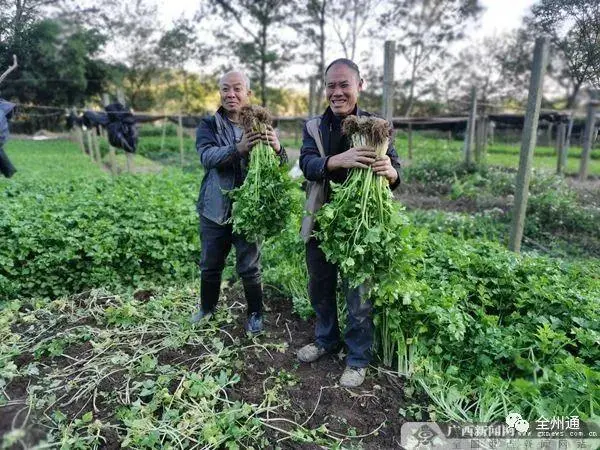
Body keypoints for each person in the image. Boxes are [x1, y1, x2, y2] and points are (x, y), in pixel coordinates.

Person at [297, 59, 402, 387]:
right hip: (322, 218)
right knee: (320, 285)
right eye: (331, 85)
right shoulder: (314, 126)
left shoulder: (377, 126)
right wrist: (333, 161)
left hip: (362, 223)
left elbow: (396, 168)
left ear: (360, 85)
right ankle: (326, 340)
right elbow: (305, 162)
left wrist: (391, 172)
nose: (337, 92)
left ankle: (357, 359)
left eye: (344, 84)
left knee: (358, 294)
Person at [192, 70, 287, 333]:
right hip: (215, 208)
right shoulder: (209, 125)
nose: (230, 95)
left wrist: (278, 149)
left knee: (249, 266)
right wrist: (239, 148)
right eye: (225, 89)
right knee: (211, 264)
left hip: (250, 209)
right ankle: (207, 309)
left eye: (236, 89)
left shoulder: (259, 122)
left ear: (248, 93)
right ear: (220, 92)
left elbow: (281, 165)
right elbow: (207, 157)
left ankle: (255, 313)